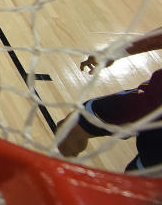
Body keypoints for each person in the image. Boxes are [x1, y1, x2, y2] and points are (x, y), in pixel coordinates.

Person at [56, 28, 162, 173]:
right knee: (70, 128)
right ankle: (63, 179)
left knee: (134, 183)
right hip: (150, 100)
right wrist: (116, 51)